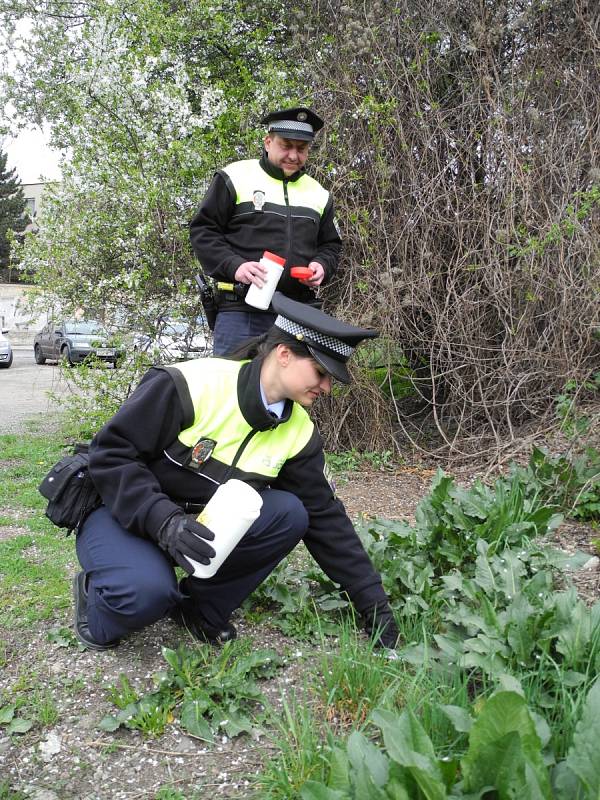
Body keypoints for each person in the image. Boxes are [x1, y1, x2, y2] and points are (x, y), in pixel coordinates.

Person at [72, 293, 399, 652]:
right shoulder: (192, 384)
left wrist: (375, 608)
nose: (326, 387)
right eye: (321, 372)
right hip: (123, 513)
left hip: (193, 525)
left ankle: (199, 609)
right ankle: (96, 600)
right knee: (144, 595)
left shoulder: (298, 432)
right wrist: (163, 521)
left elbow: (327, 520)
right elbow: (111, 455)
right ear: (284, 354)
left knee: (290, 512)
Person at [189, 106, 342, 356]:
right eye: (286, 145)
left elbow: (331, 246)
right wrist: (234, 266)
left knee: (287, 394)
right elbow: (203, 231)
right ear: (268, 141)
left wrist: (321, 266)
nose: (293, 155)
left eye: (301, 148)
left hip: (296, 314)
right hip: (240, 311)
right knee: (233, 390)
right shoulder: (235, 176)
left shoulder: (319, 193)